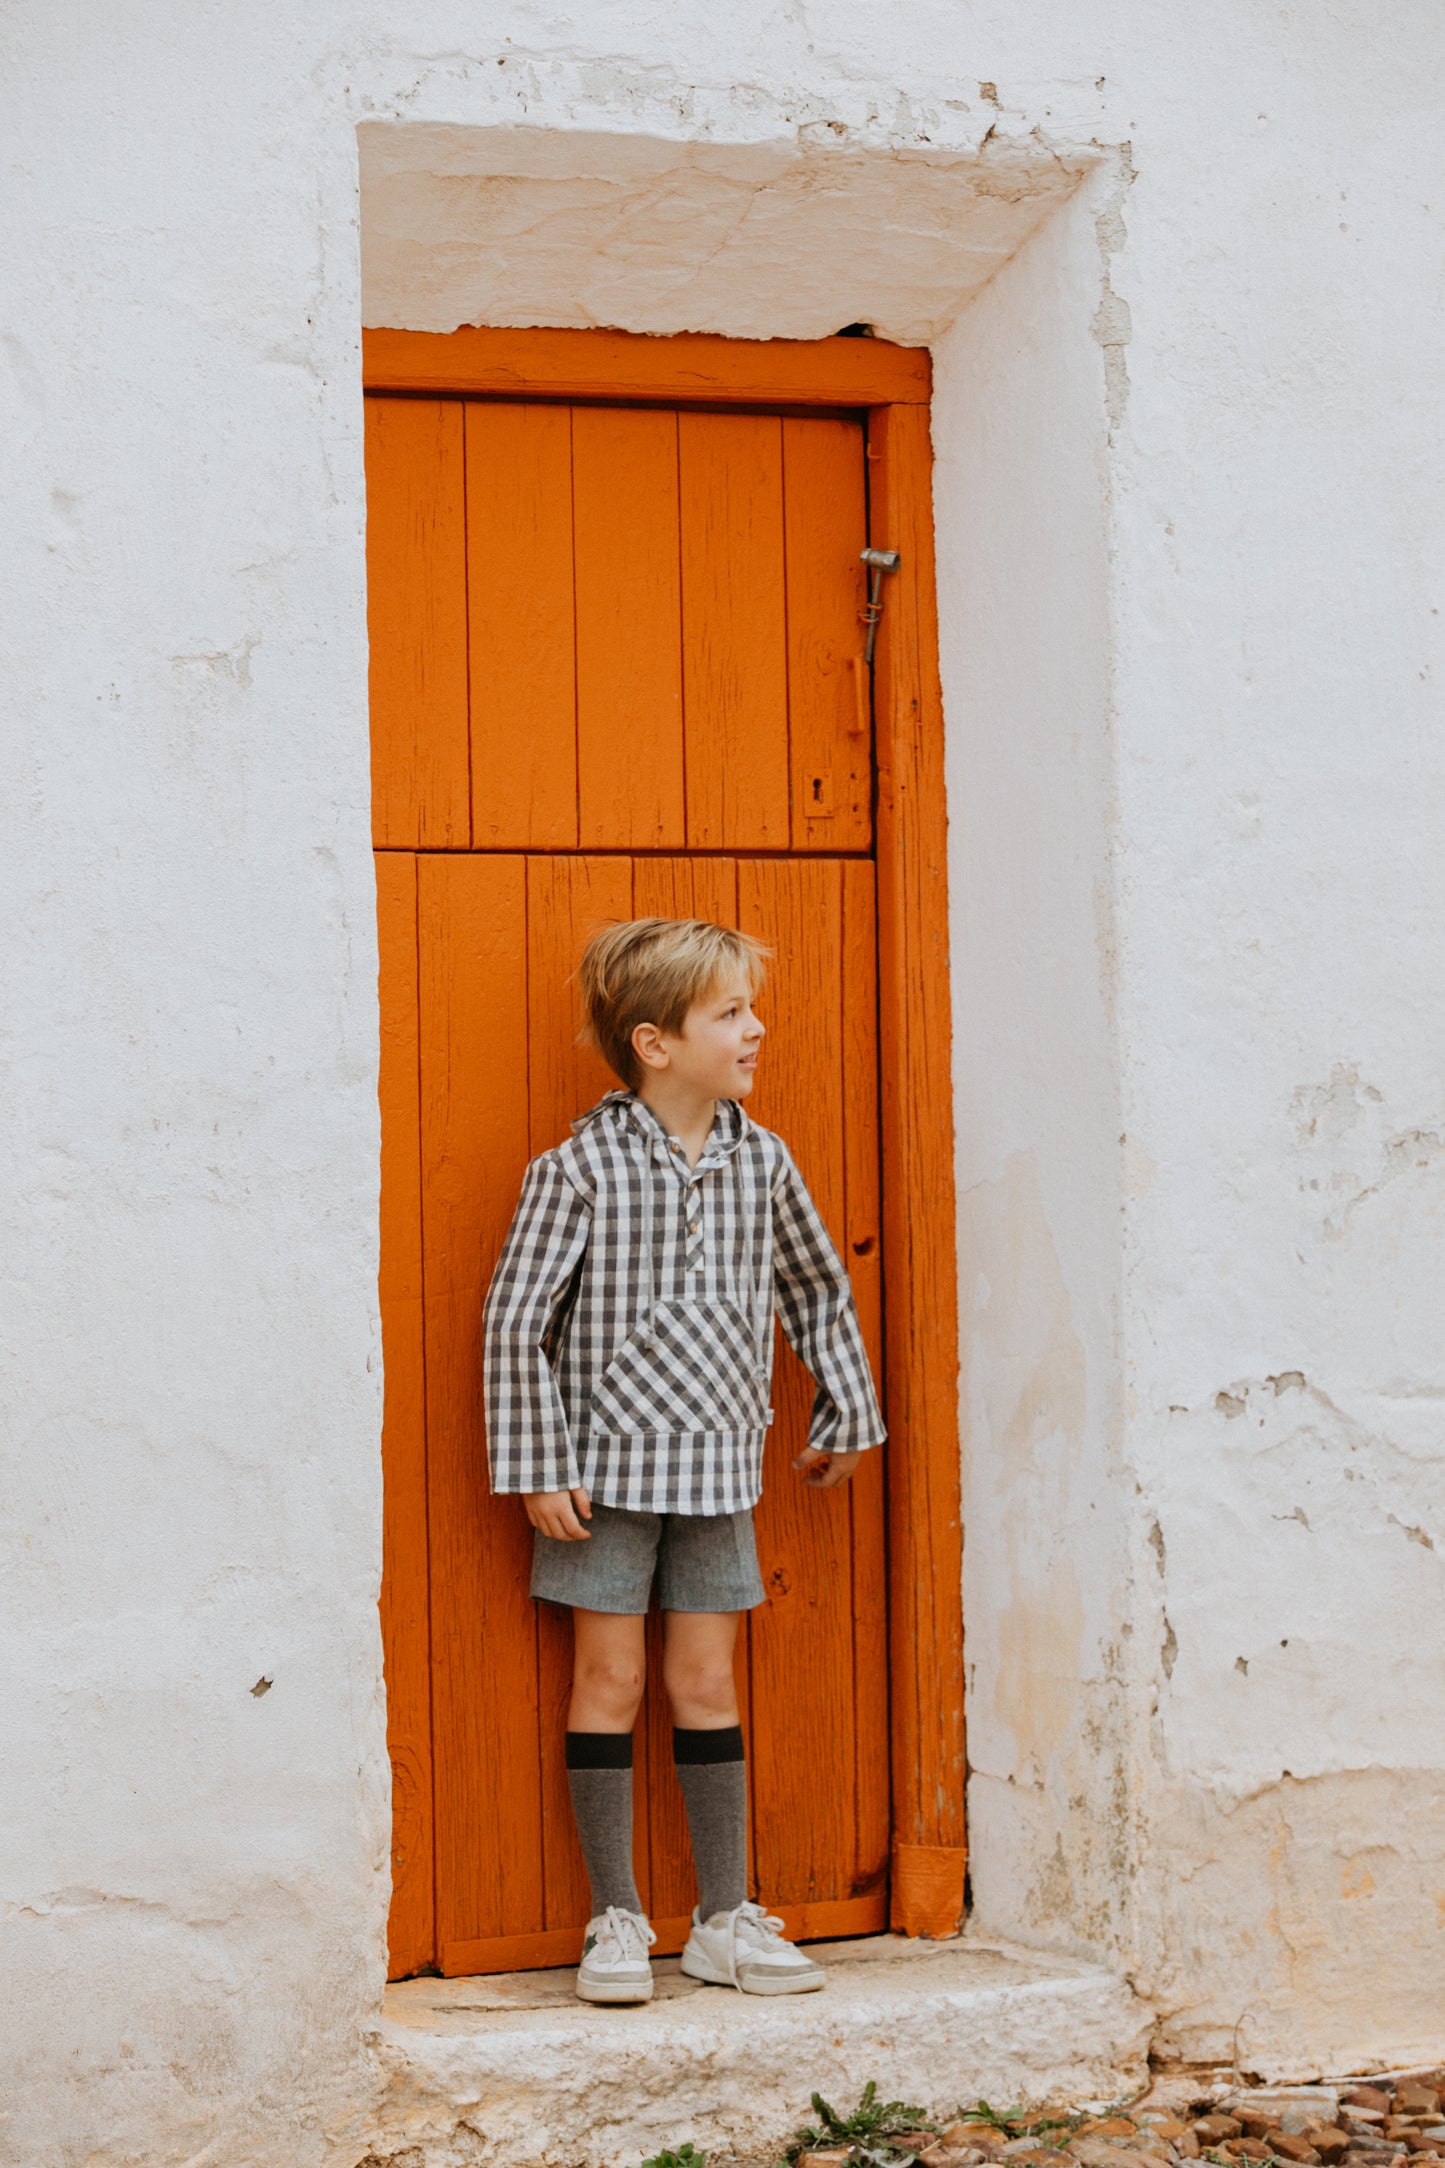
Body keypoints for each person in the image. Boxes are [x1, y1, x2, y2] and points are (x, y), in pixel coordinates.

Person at [482, 917, 885, 2004]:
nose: (756, 1028)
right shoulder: (577, 1168)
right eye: (730, 1013)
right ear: (656, 1042)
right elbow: (517, 1321)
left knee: (704, 1679)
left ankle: (719, 1917)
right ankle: (616, 1915)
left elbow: (811, 1285)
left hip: (717, 1470)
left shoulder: (762, 1158)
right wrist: (535, 1463)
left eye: (751, 1008)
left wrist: (846, 1403)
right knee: (607, 1680)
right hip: (601, 1480)